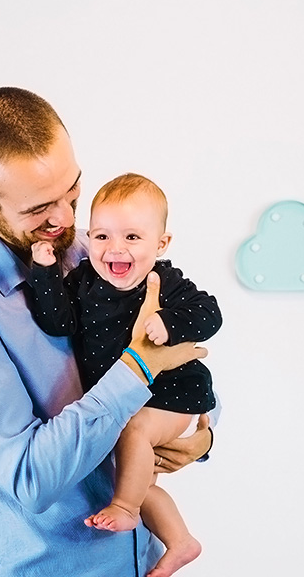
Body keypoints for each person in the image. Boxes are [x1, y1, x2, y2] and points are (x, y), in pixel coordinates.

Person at [0, 87, 215, 577]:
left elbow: (185, 357)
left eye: (71, 190)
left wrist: (203, 434)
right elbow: (30, 479)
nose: (64, 219)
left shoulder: (96, 251)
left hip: (141, 558)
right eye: (38, 208)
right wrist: (137, 367)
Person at [27, 173, 221, 576]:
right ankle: (180, 541)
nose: (115, 248)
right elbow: (58, 322)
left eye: (132, 238)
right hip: (134, 404)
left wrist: (169, 322)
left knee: (134, 434)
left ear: (161, 244)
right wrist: (44, 272)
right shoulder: (83, 281)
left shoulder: (163, 282)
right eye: (102, 237)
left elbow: (210, 314)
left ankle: (124, 508)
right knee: (138, 476)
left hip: (175, 397)